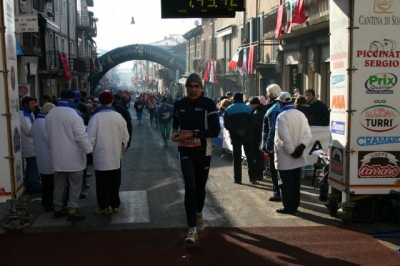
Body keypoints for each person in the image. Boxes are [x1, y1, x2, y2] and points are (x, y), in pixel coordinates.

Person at [171, 73, 220, 244]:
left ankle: (199, 213)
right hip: (185, 151)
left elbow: (215, 131)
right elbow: (175, 122)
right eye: (190, 86)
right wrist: (175, 132)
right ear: (186, 88)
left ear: (201, 88)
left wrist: (195, 133)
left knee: (199, 187)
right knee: (190, 187)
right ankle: (191, 228)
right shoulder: (179, 104)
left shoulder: (208, 104)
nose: (193, 89)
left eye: (196, 86)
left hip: (203, 151)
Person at [45, 88, 93, 222]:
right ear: (72, 99)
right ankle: (72, 209)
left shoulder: (51, 113)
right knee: (75, 185)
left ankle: (58, 208)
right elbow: (81, 136)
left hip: (57, 157)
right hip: (74, 157)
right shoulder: (74, 114)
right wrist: (89, 151)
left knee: (59, 184)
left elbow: (46, 135)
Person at [87, 91, 129, 215]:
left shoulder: (95, 117)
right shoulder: (118, 117)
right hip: (115, 155)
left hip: (100, 156)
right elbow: (125, 137)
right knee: (114, 182)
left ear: (100, 102)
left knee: (102, 183)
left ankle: (105, 206)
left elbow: (90, 139)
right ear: (111, 101)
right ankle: (115, 204)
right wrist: (122, 148)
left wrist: (89, 153)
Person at [274, 92, 312, 214]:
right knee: (295, 183)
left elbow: (284, 136)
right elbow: (308, 134)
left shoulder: (282, 116)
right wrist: (300, 148)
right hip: (298, 155)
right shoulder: (301, 114)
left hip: (286, 156)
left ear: (281, 102)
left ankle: (288, 207)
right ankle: (295, 205)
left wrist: (292, 151)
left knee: (285, 184)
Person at [224, 92, 257, 184]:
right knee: (250, 157)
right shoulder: (249, 109)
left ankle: (238, 179)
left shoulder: (228, 109)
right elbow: (253, 123)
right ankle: (253, 178)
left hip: (235, 136)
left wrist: (236, 131)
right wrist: (245, 131)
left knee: (237, 158)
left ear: (234, 99)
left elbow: (227, 124)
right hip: (248, 136)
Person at [31, 103, 56, 211]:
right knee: (50, 183)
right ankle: (49, 204)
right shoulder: (45, 122)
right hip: (49, 157)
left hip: (41, 156)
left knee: (46, 183)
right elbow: (51, 140)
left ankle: (47, 203)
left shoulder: (36, 122)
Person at [260, 84, 282, 202]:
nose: (267, 95)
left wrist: (268, 145)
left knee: (274, 169)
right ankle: (279, 191)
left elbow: (273, 129)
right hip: (278, 143)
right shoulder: (277, 106)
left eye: (268, 93)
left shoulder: (274, 109)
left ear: (272, 94)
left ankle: (277, 192)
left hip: (274, 144)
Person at [20, 96, 41, 193]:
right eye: (32, 103)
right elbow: (28, 131)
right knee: (33, 166)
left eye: (35, 103)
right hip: (29, 145)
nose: (34, 105)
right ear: (25, 104)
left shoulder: (30, 113)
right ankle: (34, 185)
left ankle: (29, 184)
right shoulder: (24, 115)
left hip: (32, 144)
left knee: (31, 166)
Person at [249, 97, 267, 181]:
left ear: (255, 104)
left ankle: (259, 174)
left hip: (257, 137)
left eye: (251, 104)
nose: (251, 106)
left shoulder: (257, 113)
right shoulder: (264, 110)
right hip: (262, 136)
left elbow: (255, 126)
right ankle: (260, 173)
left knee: (258, 156)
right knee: (260, 156)